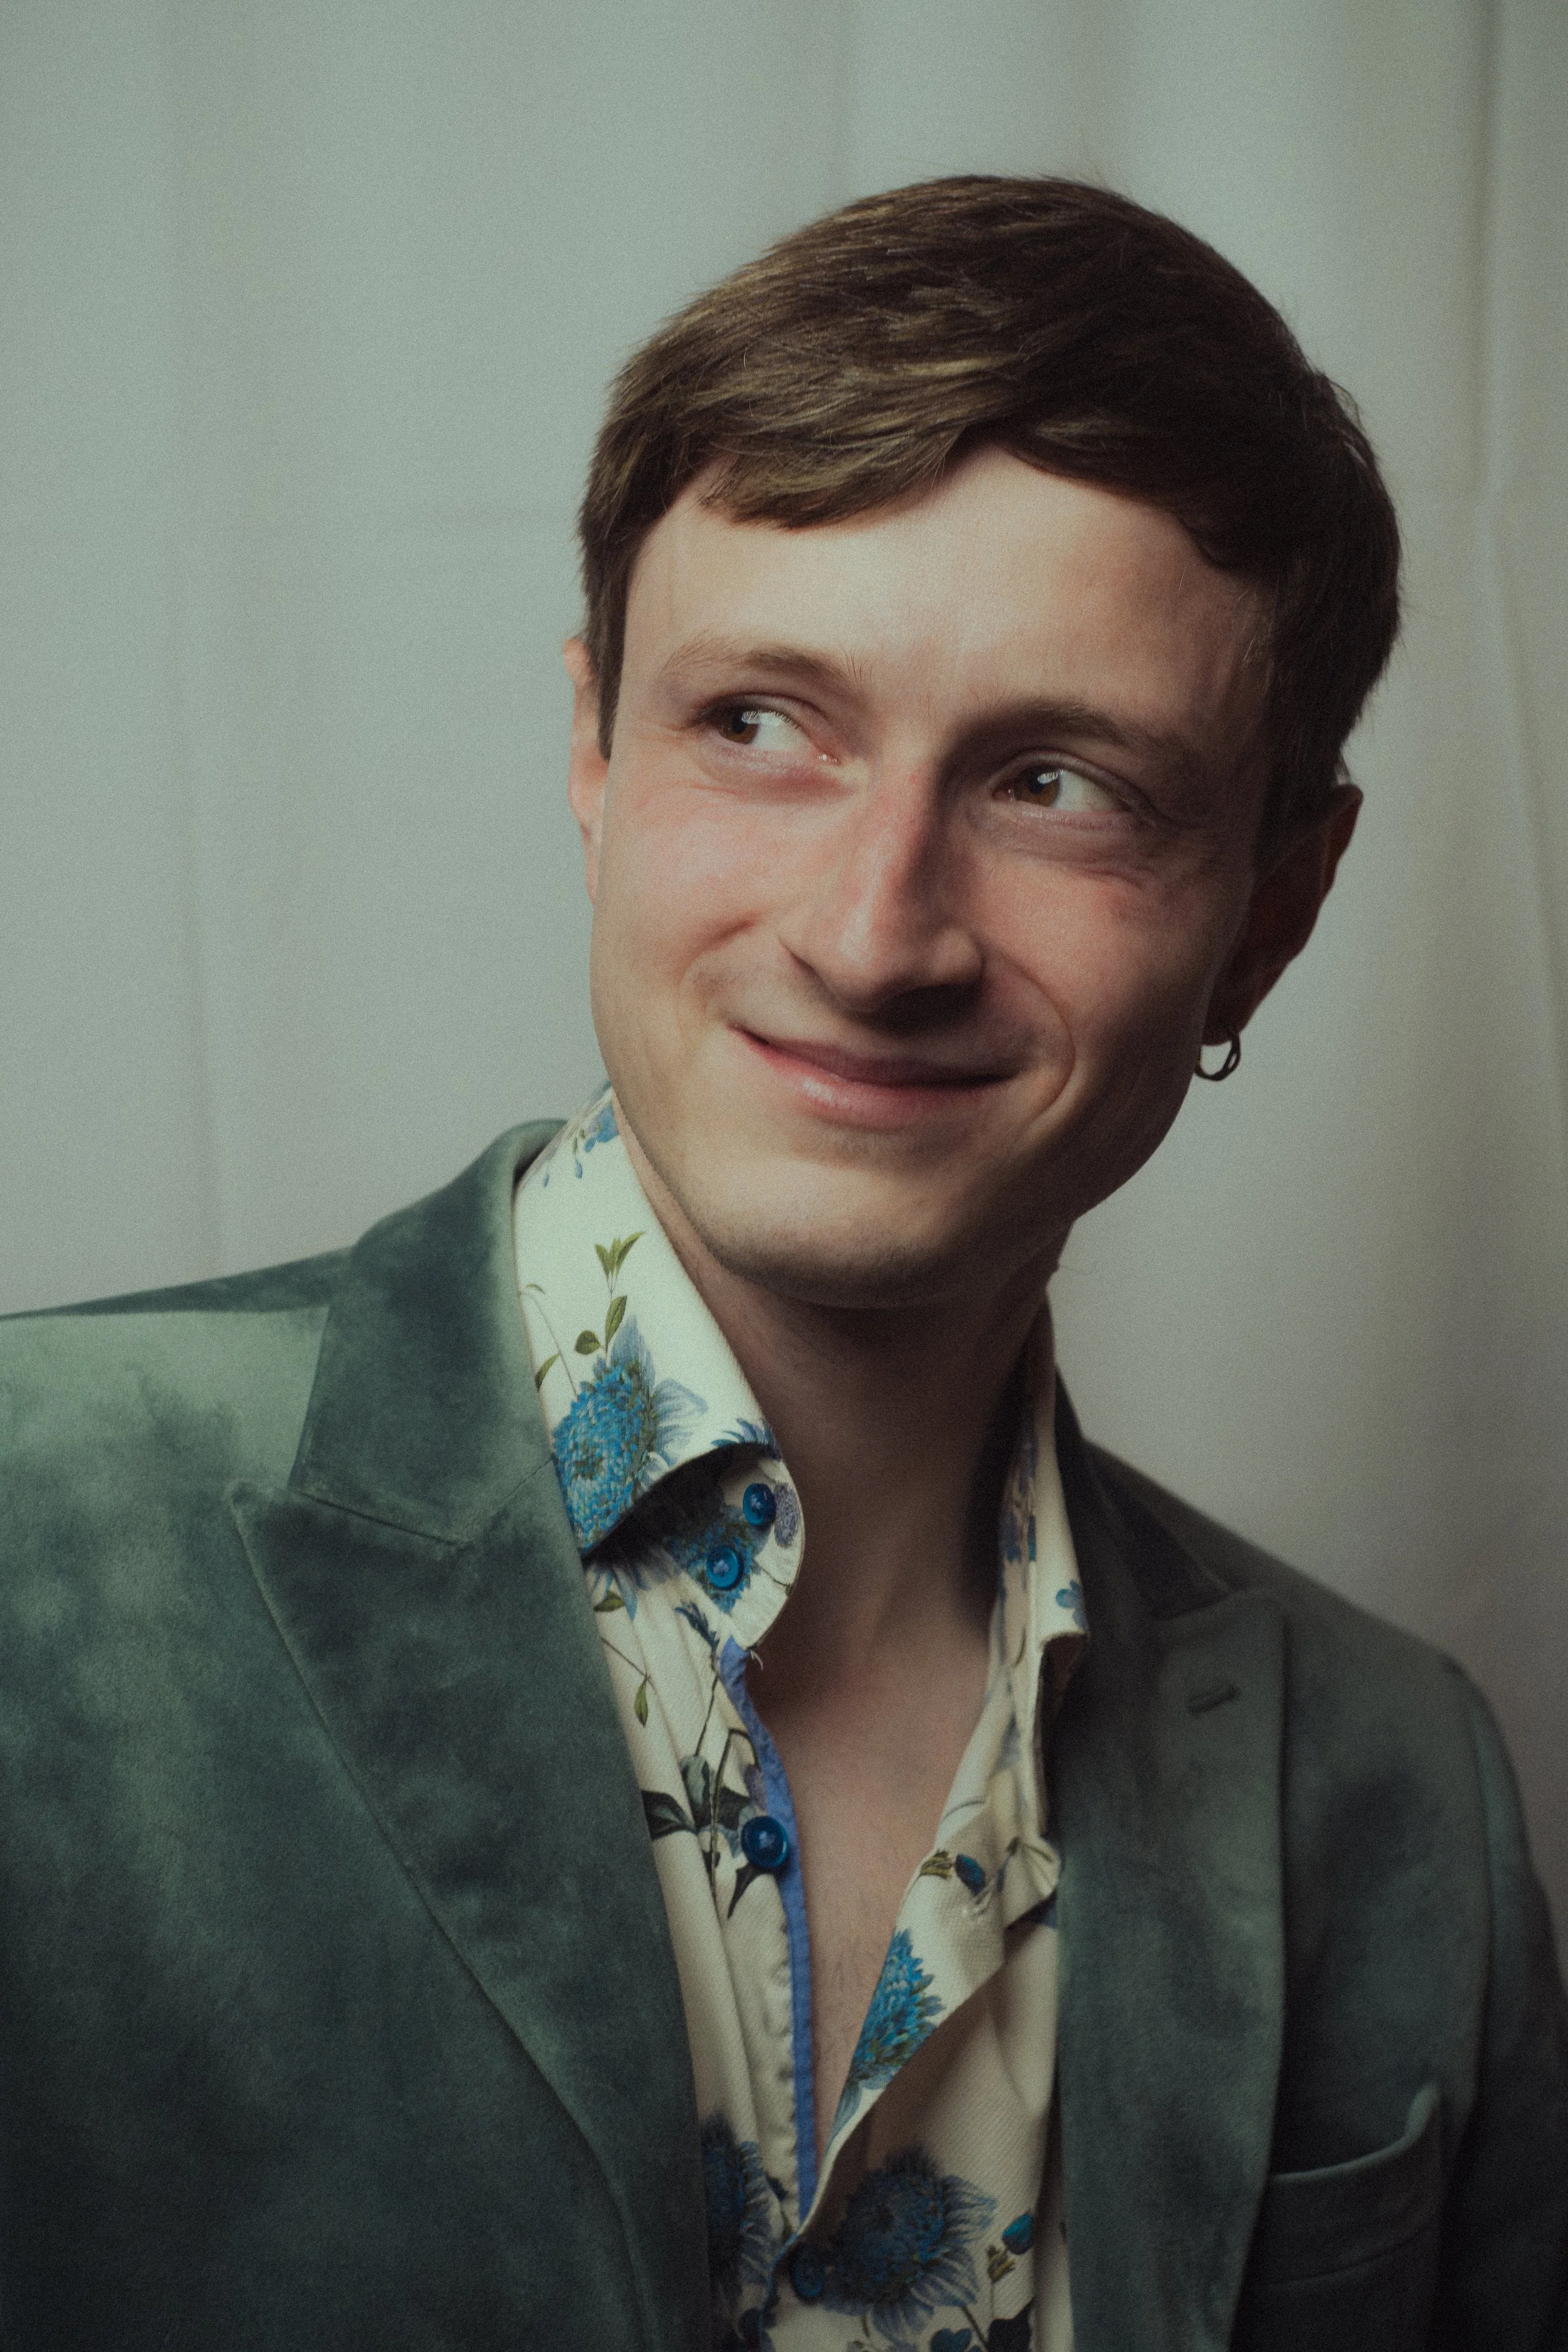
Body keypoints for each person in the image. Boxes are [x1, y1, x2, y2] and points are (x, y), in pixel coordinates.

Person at [1, 176, 1563, 2352]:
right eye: (759, 721)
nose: (870, 930)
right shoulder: (28, 1537)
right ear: (592, 747)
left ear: (1278, 903)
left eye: (1055, 779)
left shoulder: (1394, 1792)